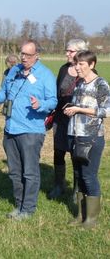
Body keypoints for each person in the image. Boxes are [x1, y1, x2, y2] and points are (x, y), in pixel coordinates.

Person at [0, 40, 57, 220]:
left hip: (31, 130)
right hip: (10, 129)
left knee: (30, 171)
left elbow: (53, 101)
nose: (24, 58)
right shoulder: (14, 71)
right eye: (22, 54)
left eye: (28, 55)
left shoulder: (46, 75)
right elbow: (4, 93)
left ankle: (28, 209)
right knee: (15, 172)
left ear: (36, 55)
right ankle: (19, 205)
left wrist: (41, 105)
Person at [64, 50, 110, 229]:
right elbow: (78, 107)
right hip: (75, 135)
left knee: (89, 176)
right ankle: (80, 215)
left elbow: (107, 111)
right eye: (76, 64)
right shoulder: (79, 84)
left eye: (81, 64)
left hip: (92, 137)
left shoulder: (100, 84)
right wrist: (71, 108)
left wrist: (78, 109)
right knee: (79, 176)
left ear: (92, 65)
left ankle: (91, 220)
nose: (77, 67)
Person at [48, 39, 88, 200]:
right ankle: (59, 185)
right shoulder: (63, 69)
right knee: (58, 151)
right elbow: (57, 92)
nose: (67, 54)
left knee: (75, 153)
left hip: (78, 119)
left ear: (80, 52)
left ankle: (77, 190)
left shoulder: (88, 72)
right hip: (60, 118)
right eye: (67, 51)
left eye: (70, 51)